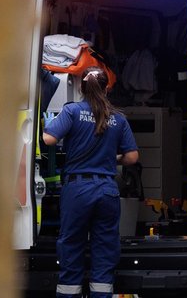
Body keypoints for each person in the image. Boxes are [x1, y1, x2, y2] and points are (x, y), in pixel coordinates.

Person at [43, 66, 139, 298]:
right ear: (107, 88)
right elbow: (132, 157)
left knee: (72, 245)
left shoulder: (72, 112)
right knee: (105, 248)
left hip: (78, 190)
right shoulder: (118, 118)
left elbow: (48, 139)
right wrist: (112, 157)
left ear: (81, 87)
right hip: (107, 190)